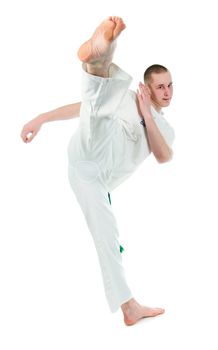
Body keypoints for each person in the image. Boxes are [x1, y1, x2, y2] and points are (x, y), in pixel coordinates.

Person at [20, 16, 175, 326]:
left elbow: (163, 156)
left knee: (108, 235)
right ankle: (101, 56)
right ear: (146, 87)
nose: (167, 91)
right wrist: (41, 118)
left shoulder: (166, 129)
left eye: (170, 85)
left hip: (97, 179)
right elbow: (82, 108)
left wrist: (146, 112)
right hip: (87, 151)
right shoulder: (130, 97)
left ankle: (100, 57)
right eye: (160, 86)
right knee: (100, 111)